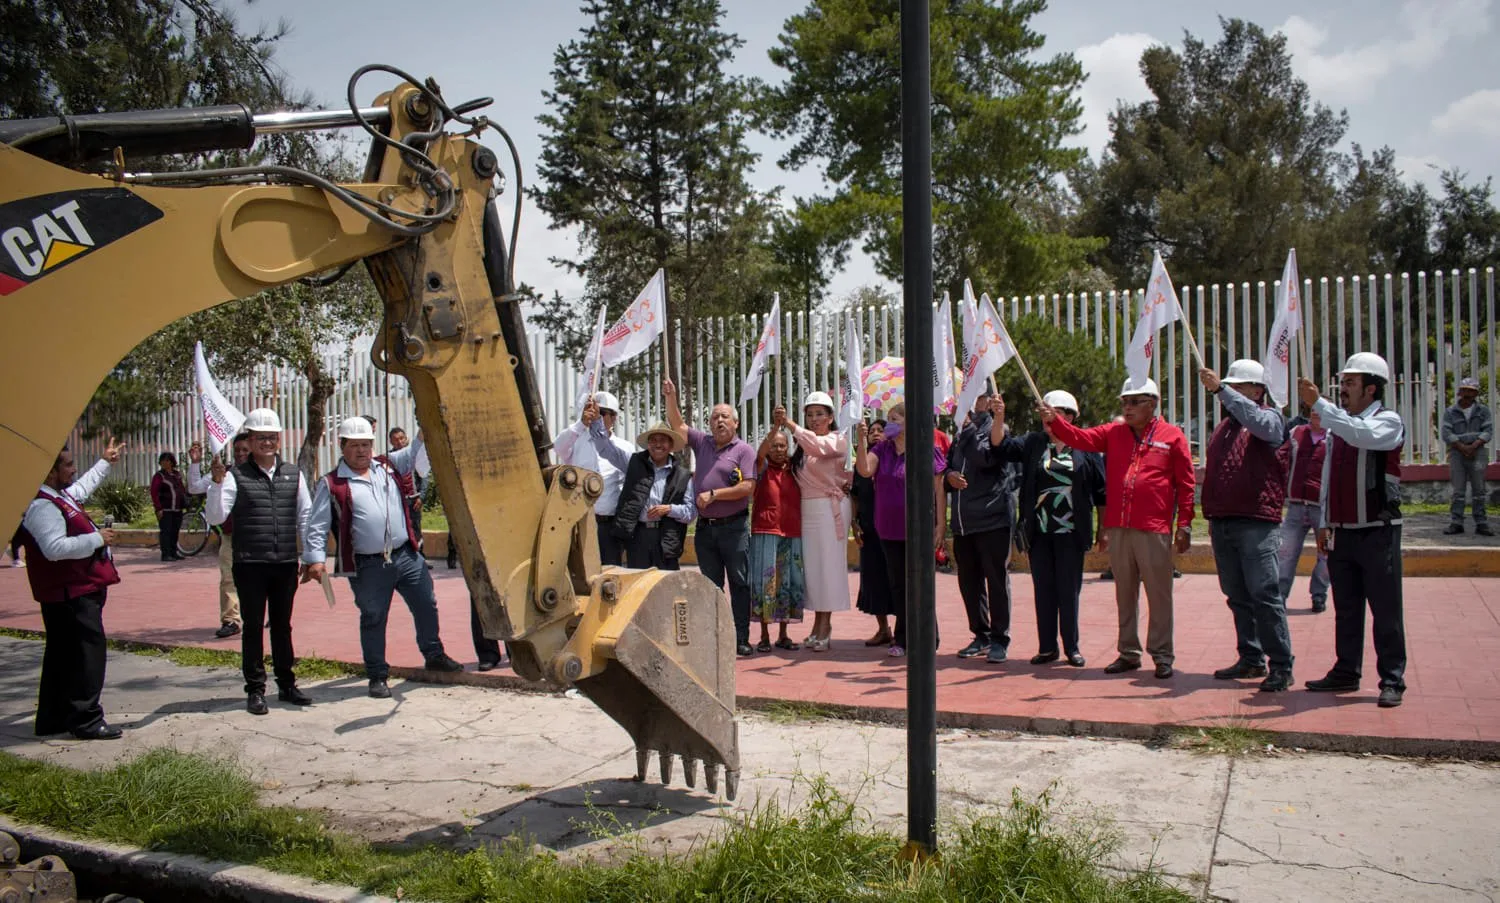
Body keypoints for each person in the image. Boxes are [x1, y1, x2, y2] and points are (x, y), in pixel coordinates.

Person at [1042, 377, 1194, 679]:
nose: (1127, 407)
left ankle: (1162, 655)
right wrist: (1055, 422)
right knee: (1125, 593)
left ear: (1152, 403)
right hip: (1120, 526)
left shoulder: (1172, 436)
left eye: (1134, 401)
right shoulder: (1114, 433)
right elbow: (1080, 438)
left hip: (1154, 528)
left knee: (1159, 595)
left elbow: (1186, 484)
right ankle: (1128, 653)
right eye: (1124, 401)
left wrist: (1185, 524)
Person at [302, 417, 465, 699]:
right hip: (368, 565)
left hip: (406, 555)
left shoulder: (388, 466)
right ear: (342, 447)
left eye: (366, 444)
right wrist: (315, 559)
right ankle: (377, 675)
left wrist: (425, 416)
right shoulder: (332, 483)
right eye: (355, 446)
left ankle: (434, 653)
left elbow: (416, 450)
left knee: (426, 603)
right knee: (374, 617)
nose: (362, 451)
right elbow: (317, 525)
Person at [1299, 353, 1408, 708]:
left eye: (1350, 383)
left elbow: (1361, 435)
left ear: (1371, 388)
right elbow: (1329, 474)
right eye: (1342, 382)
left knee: (1385, 610)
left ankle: (1392, 679)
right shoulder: (1338, 424)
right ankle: (1347, 671)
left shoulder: (1387, 422)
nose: (1342, 389)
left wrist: (1320, 404)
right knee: (1346, 608)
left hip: (1378, 530)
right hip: (1343, 531)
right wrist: (1325, 521)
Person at [14, 438, 125, 740]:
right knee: (86, 656)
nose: (74, 469)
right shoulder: (41, 505)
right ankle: (86, 718)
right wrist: (98, 539)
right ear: (50, 472)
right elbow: (54, 548)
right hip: (71, 594)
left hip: (72, 592)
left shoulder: (58, 496)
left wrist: (105, 462)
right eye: (67, 464)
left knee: (62, 656)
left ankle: (54, 718)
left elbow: (83, 487)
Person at [206, 407, 313, 715]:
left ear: (279, 440)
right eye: (260, 437)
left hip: (283, 564)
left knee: (282, 626)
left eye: (271, 437)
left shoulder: (293, 473)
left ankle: (287, 684)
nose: (267, 442)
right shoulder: (233, 477)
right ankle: (255, 689)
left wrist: (308, 555)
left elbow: (304, 515)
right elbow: (216, 516)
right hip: (249, 563)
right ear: (249, 441)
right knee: (253, 627)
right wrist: (215, 484)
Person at [1199, 361, 1294, 692]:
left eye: (1239, 389)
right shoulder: (1224, 428)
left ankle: (1281, 664)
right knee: (1236, 595)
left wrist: (1220, 390)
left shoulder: (1269, 420)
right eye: (1230, 388)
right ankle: (1251, 657)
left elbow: (1259, 423)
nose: (1230, 396)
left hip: (1256, 521)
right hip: (1224, 521)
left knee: (1264, 594)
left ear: (1257, 390)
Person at [992, 390, 1106, 668]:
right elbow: (1000, 447)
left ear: (1070, 417)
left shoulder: (1086, 446)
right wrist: (999, 417)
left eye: (1056, 411)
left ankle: (1072, 647)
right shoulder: (1033, 442)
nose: (1047, 416)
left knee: (1068, 591)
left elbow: (1102, 492)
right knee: (1043, 590)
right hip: (1039, 532)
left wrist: (1104, 530)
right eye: (1046, 410)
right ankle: (1047, 647)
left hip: (1071, 532)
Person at [664, 378, 759, 657]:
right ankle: (715, 636)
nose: (719, 421)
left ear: (736, 423)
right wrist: (671, 396)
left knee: (740, 583)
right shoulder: (702, 443)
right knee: (711, 586)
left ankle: (741, 637)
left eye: (725, 417)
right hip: (706, 530)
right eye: (715, 416)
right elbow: (678, 426)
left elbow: (748, 487)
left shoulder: (744, 450)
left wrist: (715, 494)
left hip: (735, 528)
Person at [855, 403, 946, 658]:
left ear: (908, 422)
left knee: (920, 584)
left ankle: (928, 636)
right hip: (887, 528)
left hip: (918, 529)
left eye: (894, 419)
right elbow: (864, 470)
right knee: (898, 585)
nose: (889, 423)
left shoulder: (925, 448)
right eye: (888, 419)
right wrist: (862, 440)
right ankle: (902, 638)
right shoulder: (882, 449)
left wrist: (940, 524)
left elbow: (938, 488)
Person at [944, 389, 1016, 664]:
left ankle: (999, 639)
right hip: (964, 522)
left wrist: (967, 427)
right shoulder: (962, 433)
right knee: (969, 583)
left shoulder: (996, 429)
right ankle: (980, 634)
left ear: (986, 399)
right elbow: (949, 466)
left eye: (974, 396)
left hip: (992, 519)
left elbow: (985, 458)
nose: (968, 402)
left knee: (996, 581)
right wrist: (949, 475)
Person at [587, 404, 696, 571]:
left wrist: (669, 509)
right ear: (648, 444)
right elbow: (605, 449)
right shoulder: (633, 463)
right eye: (653, 440)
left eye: (663, 440)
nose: (657, 445)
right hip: (637, 537)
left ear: (671, 445)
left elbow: (690, 512)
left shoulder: (683, 476)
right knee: (637, 585)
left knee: (666, 587)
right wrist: (596, 422)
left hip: (667, 539)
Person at [782, 392, 851, 652]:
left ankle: (826, 627)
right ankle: (816, 625)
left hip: (830, 508)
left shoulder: (838, 440)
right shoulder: (802, 447)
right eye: (810, 415)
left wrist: (790, 425)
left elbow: (818, 447)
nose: (814, 419)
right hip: (808, 511)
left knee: (829, 568)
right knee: (813, 570)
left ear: (831, 417)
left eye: (820, 414)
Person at [554, 391, 635, 565]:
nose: (595, 415)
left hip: (607, 526)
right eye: (591, 410)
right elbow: (558, 446)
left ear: (613, 417)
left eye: (601, 412)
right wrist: (581, 424)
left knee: (609, 573)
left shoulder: (625, 448)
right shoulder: (575, 441)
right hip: (576, 523)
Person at [749, 422, 805, 651]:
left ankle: (783, 634)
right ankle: (763, 636)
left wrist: (791, 424)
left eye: (782, 445)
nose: (778, 449)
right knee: (765, 584)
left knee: (788, 583)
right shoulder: (760, 468)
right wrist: (773, 429)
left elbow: (806, 444)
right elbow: (761, 452)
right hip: (765, 532)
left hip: (792, 533)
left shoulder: (795, 468)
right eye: (774, 445)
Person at [188, 435, 250, 637]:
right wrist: (196, 464)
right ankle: (231, 620)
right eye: (237, 450)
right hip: (231, 537)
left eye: (245, 450)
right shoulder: (225, 473)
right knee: (228, 578)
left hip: (258, 537)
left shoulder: (264, 474)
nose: (240, 454)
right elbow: (195, 486)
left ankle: (262, 613)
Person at [1276, 408, 1330, 613]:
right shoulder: (1296, 433)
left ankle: (1319, 594)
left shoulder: (1336, 436)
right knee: (1285, 552)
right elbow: (1282, 457)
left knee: (1326, 554)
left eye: (1322, 411)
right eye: (1314, 411)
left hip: (1323, 507)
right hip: (1297, 504)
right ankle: (1279, 597)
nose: (1317, 415)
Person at [851, 419, 897, 646]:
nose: (876, 434)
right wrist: (854, 522)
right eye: (872, 431)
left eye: (881, 430)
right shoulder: (863, 462)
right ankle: (883, 628)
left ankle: (902, 630)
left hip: (892, 527)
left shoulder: (893, 458)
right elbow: (855, 495)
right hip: (869, 528)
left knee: (895, 579)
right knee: (873, 579)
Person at [1441, 377, 1492, 536]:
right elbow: (1446, 433)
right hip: (1457, 453)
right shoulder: (1450, 412)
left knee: (1479, 490)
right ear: (1459, 392)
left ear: (1476, 393)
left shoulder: (1483, 411)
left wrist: (1474, 445)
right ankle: (1456, 522)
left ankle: (1481, 522)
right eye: (1465, 390)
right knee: (1458, 490)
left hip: (1478, 453)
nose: (1467, 394)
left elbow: (1488, 431)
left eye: (1471, 391)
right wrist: (1462, 447)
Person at [381, 427, 426, 552]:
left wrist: (421, 496)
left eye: (402, 438)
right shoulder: (389, 459)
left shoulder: (415, 456)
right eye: (396, 440)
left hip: (414, 499)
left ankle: (420, 557)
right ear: (391, 442)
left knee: (416, 528)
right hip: (398, 501)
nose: (399, 442)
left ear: (406, 438)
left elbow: (424, 477)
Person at [150, 451, 188, 561]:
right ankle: (166, 554)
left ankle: (173, 552)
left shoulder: (177, 474)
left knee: (175, 531)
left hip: (177, 508)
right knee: (166, 531)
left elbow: (182, 489)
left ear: (172, 462)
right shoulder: (159, 476)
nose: (165, 463)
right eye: (163, 461)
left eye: (167, 460)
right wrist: (158, 508)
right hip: (165, 509)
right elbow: (154, 492)